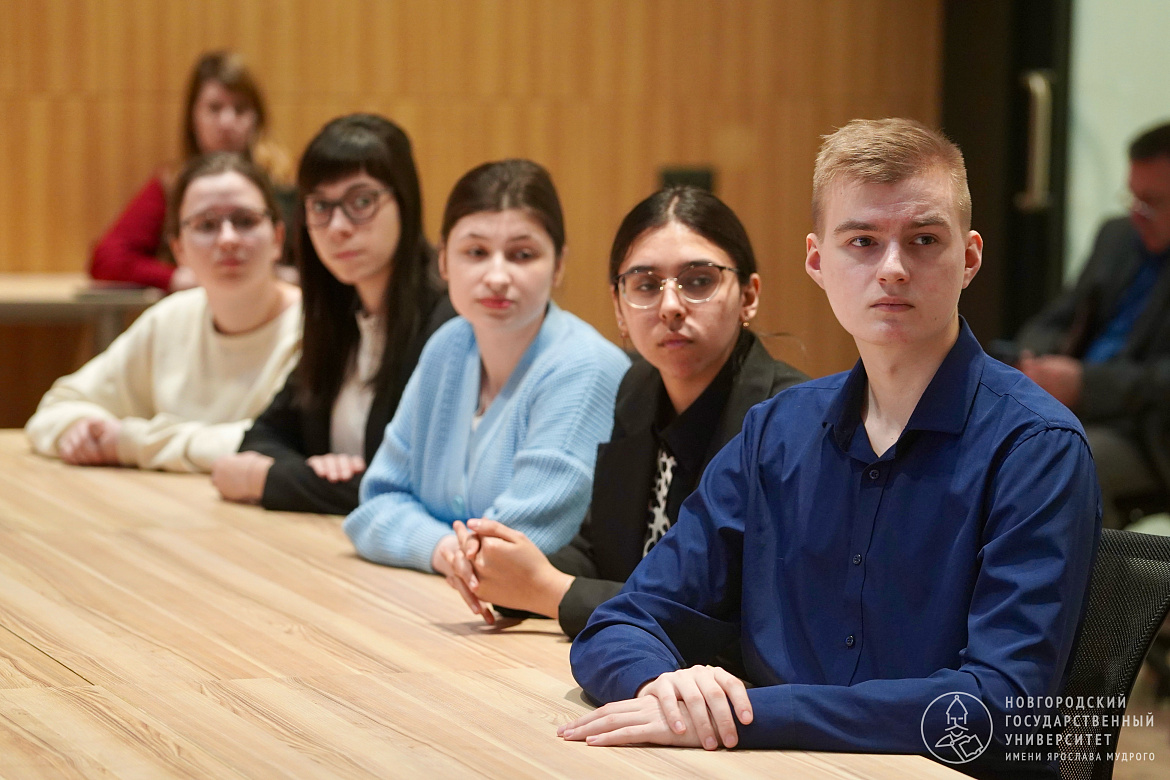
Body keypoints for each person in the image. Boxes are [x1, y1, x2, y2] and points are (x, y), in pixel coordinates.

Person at [561, 119, 1099, 778]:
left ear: (969, 258)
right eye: (862, 242)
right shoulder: (773, 434)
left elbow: (1002, 707)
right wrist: (667, 689)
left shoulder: (1036, 448)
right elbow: (621, 623)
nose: (893, 268)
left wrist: (752, 715)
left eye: (924, 240)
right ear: (818, 262)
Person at [441, 186, 807, 636]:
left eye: (698, 281)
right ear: (618, 305)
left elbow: (736, 613)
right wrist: (500, 571)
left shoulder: (789, 420)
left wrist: (548, 591)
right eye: (646, 285)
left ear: (749, 295)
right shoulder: (637, 386)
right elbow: (601, 551)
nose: (670, 307)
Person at [343, 159, 630, 576]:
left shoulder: (585, 368)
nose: (497, 276)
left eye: (522, 255)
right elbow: (375, 505)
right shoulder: (449, 345)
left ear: (559, 265)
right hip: (431, 600)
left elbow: (509, 550)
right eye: (476, 252)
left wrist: (428, 543)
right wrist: (445, 549)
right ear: (444, 261)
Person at [212, 114, 454, 514]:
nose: (338, 227)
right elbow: (264, 436)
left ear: (405, 201)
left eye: (362, 202)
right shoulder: (340, 317)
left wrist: (268, 479)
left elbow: (415, 486)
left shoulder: (449, 324)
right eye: (321, 206)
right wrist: (313, 471)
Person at [26, 152, 301, 472]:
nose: (228, 239)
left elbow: (280, 444)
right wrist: (82, 430)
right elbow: (57, 408)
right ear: (179, 250)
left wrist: (131, 443)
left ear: (278, 238)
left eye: (245, 221)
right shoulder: (170, 319)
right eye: (206, 225)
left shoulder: (316, 328)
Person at [1016, 121, 1170, 527]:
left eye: (1152, 203)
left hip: (1148, 430)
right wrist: (1035, 361)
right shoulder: (1117, 236)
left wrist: (1084, 385)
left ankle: (1081, 570)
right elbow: (1057, 317)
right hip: (1070, 404)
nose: (1136, 215)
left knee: (1066, 463)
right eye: (1133, 198)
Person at [90, 50, 292, 292]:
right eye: (214, 108)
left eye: (240, 109)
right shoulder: (172, 184)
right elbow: (108, 259)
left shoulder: (283, 185)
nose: (227, 122)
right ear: (193, 117)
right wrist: (175, 278)